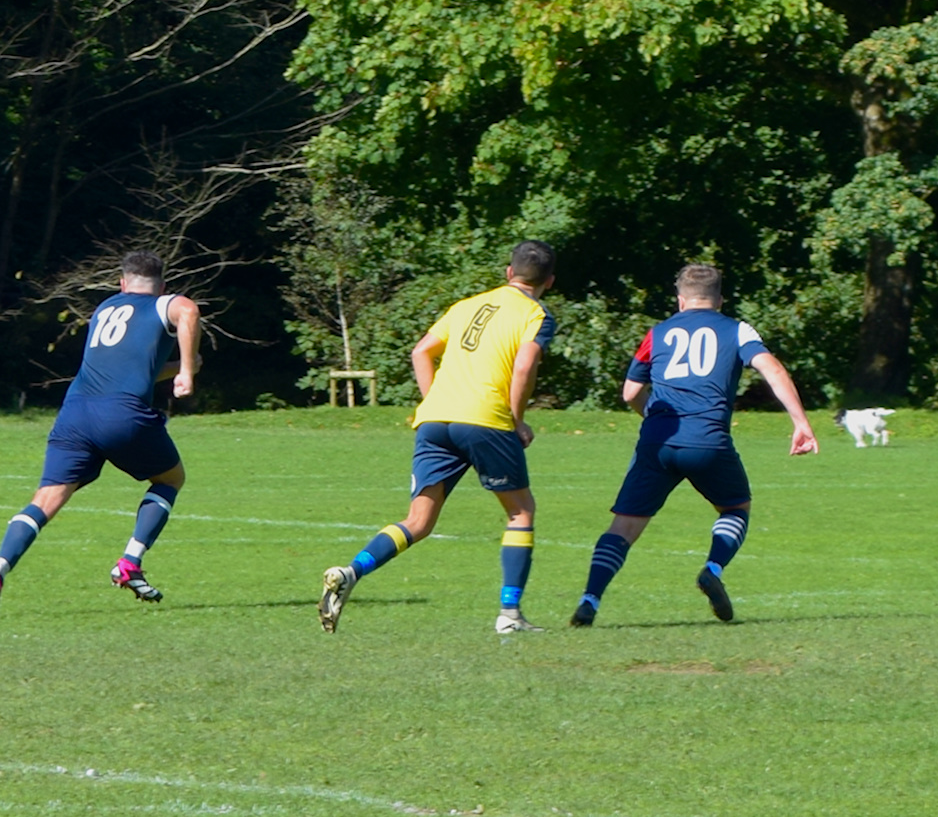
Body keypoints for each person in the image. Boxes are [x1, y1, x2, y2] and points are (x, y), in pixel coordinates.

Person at [319, 240, 557, 636]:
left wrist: (434, 401)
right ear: (549, 281)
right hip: (486, 419)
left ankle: (350, 571)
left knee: (418, 520)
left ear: (508, 273)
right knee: (520, 511)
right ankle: (510, 614)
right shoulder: (536, 313)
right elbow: (526, 364)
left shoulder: (466, 305)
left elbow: (421, 352)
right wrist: (517, 420)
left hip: (434, 419)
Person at [569, 263, 817, 628]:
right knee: (735, 508)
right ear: (720, 299)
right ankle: (712, 568)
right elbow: (773, 370)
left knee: (623, 528)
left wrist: (653, 419)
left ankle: (590, 599)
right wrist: (801, 423)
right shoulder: (737, 329)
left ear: (680, 300)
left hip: (658, 442)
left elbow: (630, 393)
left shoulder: (659, 332)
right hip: (708, 441)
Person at [0, 250, 200, 617]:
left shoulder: (105, 309)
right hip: (122, 415)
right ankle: (130, 562)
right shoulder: (161, 305)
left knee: (45, 500)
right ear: (162, 286)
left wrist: (173, 367)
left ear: (122, 283)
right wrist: (187, 370)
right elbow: (188, 311)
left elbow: (132, 367)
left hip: (75, 413)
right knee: (171, 478)